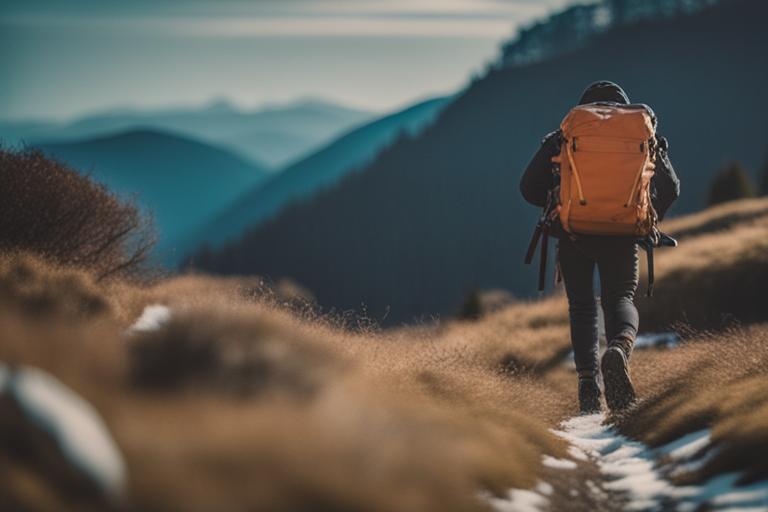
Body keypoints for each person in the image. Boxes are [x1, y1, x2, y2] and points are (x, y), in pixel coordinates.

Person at [519, 81, 680, 414]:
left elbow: (528, 188)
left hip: (573, 233)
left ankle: (588, 387)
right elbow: (671, 187)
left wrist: (558, 199)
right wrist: (647, 216)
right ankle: (619, 348)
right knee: (619, 299)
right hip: (623, 236)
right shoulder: (642, 135)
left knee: (581, 308)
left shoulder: (563, 136)